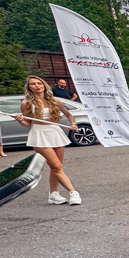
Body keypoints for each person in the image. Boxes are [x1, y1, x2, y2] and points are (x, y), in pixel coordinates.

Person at [13, 75, 82, 204]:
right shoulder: (26, 103)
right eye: (33, 84)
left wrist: (73, 124)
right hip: (39, 133)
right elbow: (28, 123)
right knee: (56, 166)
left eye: (39, 83)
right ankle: (73, 192)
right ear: (29, 87)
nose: (36, 86)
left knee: (56, 167)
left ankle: (53, 194)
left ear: (44, 85)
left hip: (55, 132)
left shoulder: (54, 101)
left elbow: (68, 115)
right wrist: (20, 120)